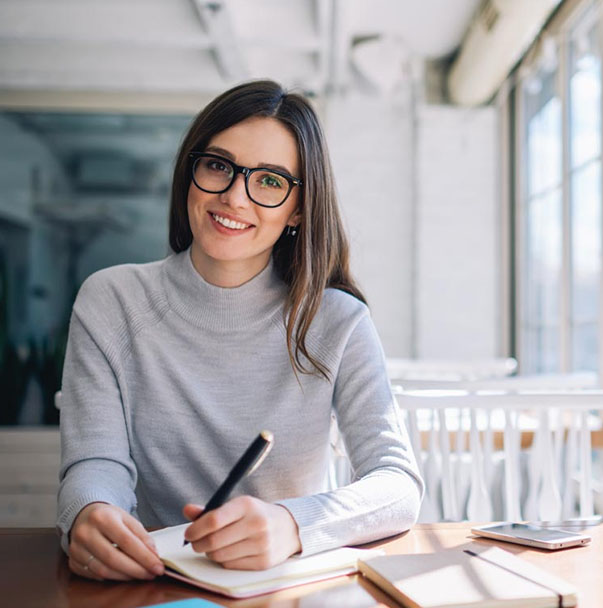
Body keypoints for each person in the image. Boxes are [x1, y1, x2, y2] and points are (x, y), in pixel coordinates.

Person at [56, 80, 424, 581]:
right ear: (192, 170)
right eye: (218, 166)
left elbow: (397, 484)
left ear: (298, 208)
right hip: (153, 580)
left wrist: (294, 525)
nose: (234, 197)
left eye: (270, 180)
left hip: (287, 585)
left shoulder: (339, 320)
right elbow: (94, 461)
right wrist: (87, 510)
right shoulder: (111, 300)